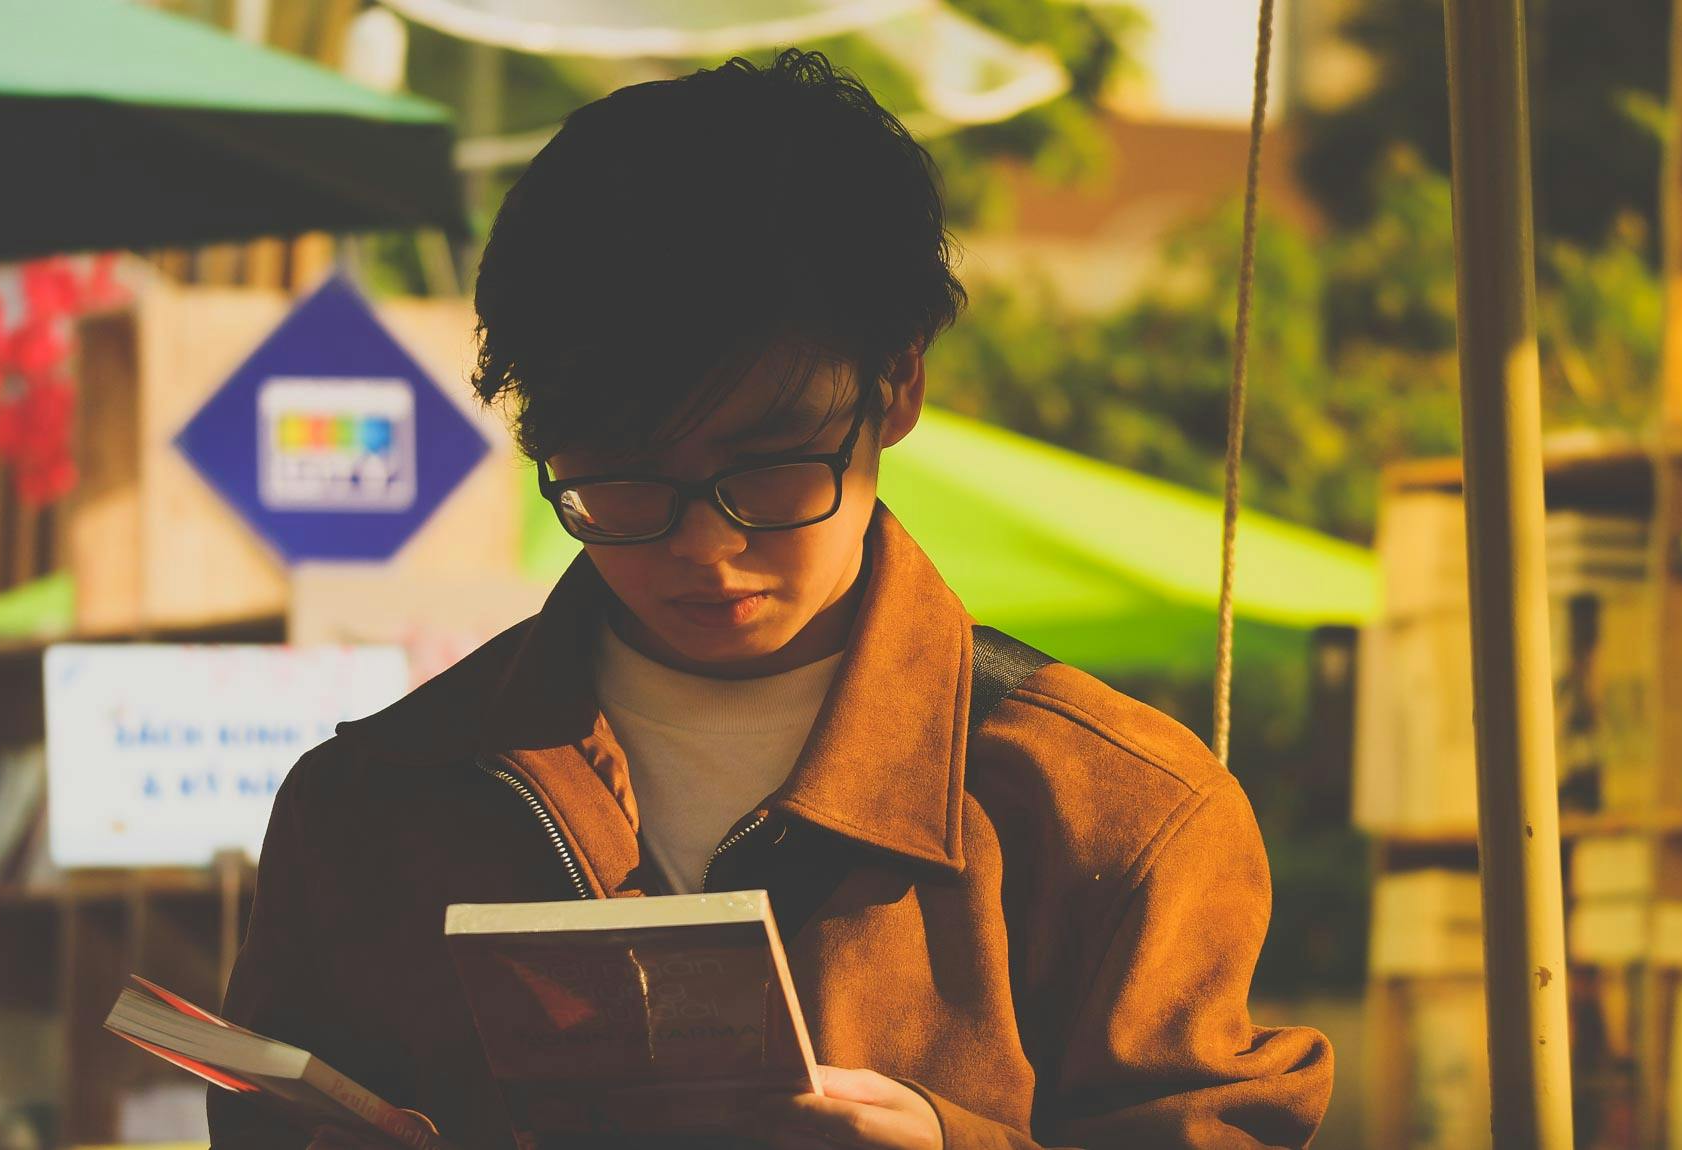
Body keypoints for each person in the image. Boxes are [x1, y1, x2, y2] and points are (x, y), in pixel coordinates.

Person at [211, 48, 1333, 1150]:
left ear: (895, 386)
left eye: (768, 466)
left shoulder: (1111, 813)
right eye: (622, 477)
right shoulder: (369, 805)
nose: (707, 545)